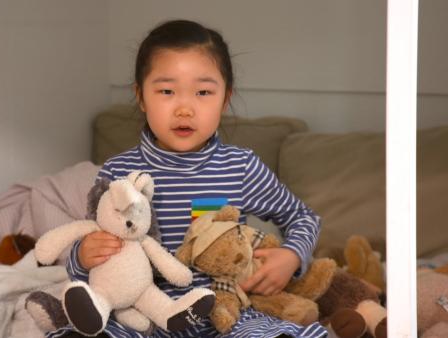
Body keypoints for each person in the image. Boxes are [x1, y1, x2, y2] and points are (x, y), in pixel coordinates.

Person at [50, 20, 326, 338]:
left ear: (225, 99)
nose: (184, 108)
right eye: (167, 91)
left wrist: (292, 255)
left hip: (224, 315)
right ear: (141, 97)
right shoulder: (118, 173)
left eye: (203, 92)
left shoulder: (241, 166)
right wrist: (82, 256)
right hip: (141, 317)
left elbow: (304, 218)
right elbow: (95, 251)